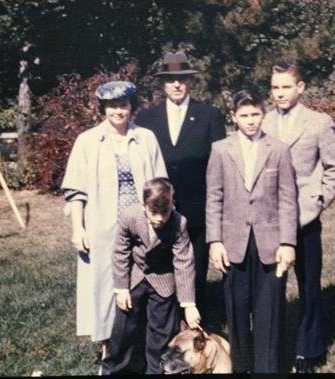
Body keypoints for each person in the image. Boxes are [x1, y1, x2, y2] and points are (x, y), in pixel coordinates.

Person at [60, 81, 167, 358]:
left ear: (132, 107)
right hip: (103, 229)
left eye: (124, 105)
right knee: (106, 287)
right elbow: (76, 190)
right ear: (103, 109)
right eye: (112, 106)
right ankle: (110, 352)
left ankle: (143, 350)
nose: (118, 111)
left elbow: (160, 184)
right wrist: (78, 229)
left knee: (144, 283)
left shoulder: (146, 138)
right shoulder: (87, 141)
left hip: (143, 228)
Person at [206, 89, 298, 373]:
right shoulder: (221, 149)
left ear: (263, 114)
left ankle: (266, 367)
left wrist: (287, 242)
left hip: (269, 242)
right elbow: (214, 197)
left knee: (268, 310)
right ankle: (241, 366)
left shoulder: (278, 149)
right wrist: (215, 240)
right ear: (234, 117)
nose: (250, 121)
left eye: (255, 114)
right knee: (236, 308)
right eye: (244, 116)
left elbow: (287, 199)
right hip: (233, 242)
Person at [261, 63, 335, 373]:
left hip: (305, 219)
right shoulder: (264, 121)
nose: (279, 93)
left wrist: (318, 202)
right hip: (270, 219)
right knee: (273, 288)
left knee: (309, 287)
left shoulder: (319, 123)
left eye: (285, 87)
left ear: (300, 88)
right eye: (275, 88)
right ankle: (275, 350)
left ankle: (308, 353)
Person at [135, 51, 227, 312]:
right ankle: (163, 334)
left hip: (197, 213)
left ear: (190, 82)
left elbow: (219, 167)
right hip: (158, 212)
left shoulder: (209, 115)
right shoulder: (146, 119)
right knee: (160, 277)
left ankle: (195, 334)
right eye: (170, 79)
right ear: (163, 83)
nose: (177, 84)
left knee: (194, 277)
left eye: (182, 79)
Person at [101, 177, 201, 374]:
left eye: (165, 212)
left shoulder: (179, 223)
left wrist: (189, 304)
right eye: (153, 212)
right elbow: (120, 252)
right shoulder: (129, 217)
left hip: (163, 279)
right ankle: (114, 369)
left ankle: (154, 370)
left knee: (161, 333)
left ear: (172, 204)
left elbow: (184, 263)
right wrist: (121, 288)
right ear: (143, 205)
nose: (159, 218)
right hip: (135, 276)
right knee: (123, 330)